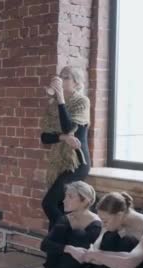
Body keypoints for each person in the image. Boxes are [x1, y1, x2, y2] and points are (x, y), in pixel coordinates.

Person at [19, 181, 101, 268]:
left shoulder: (96, 225)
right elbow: (45, 245)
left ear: (85, 201)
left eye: (70, 197)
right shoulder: (66, 218)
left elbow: (79, 258)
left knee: (78, 238)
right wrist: (68, 248)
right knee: (60, 242)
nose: (64, 200)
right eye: (65, 196)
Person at [40, 66, 91, 230]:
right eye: (60, 76)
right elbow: (45, 137)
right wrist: (63, 138)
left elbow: (69, 127)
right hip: (58, 162)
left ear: (77, 84)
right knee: (59, 208)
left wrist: (61, 97)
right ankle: (56, 250)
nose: (61, 80)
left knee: (49, 204)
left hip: (76, 163)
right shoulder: (51, 105)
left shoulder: (82, 101)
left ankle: (69, 235)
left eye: (66, 77)